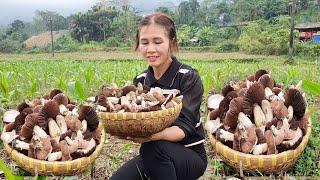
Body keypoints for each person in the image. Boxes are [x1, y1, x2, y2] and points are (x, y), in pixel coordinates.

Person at [110, 12, 207, 180]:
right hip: (154, 154)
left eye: (158, 41)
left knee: (152, 148)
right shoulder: (140, 81)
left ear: (172, 42)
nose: (150, 49)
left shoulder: (187, 77)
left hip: (190, 155)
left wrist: (149, 137)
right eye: (144, 42)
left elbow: (184, 128)